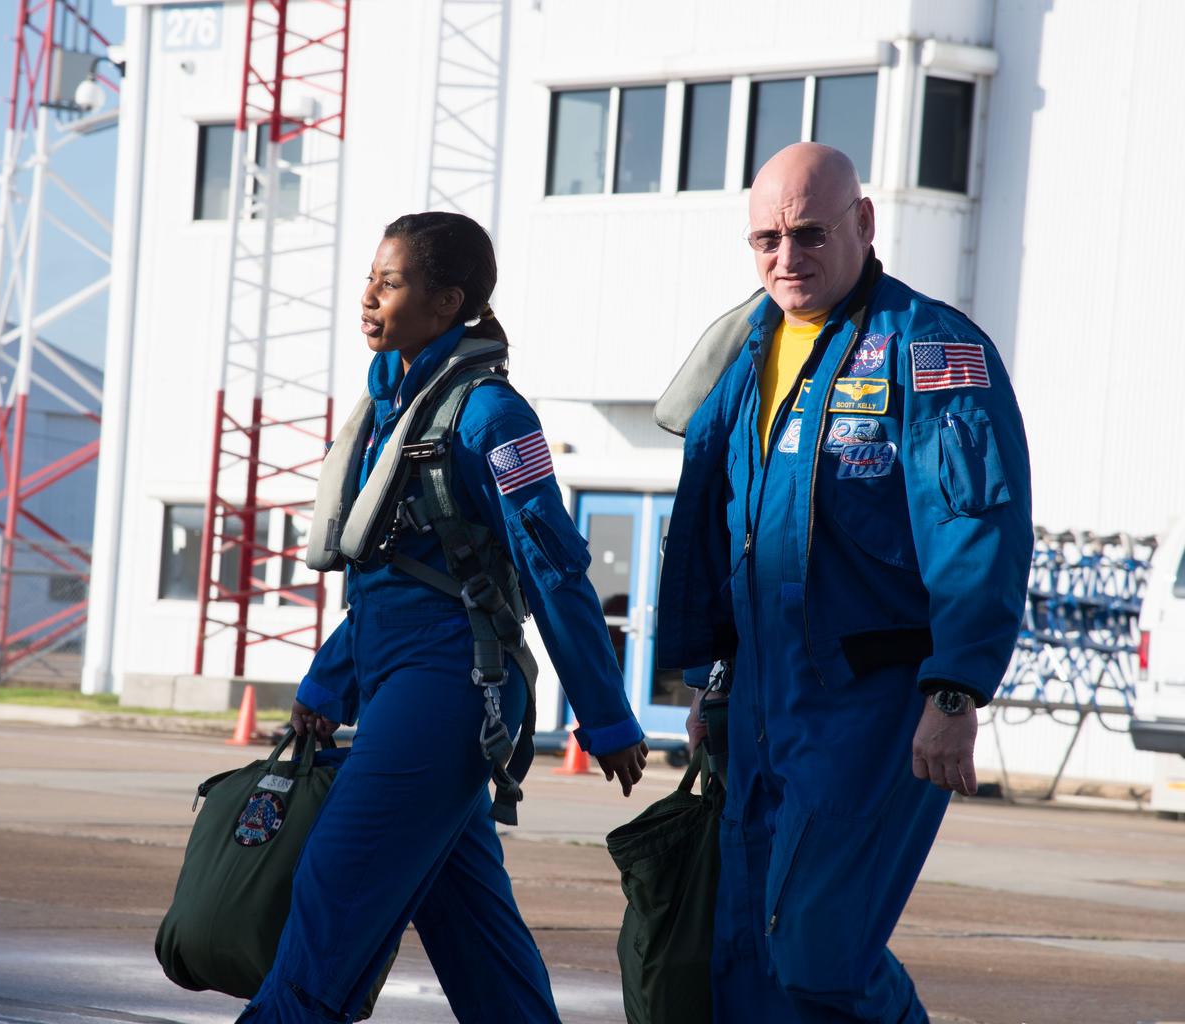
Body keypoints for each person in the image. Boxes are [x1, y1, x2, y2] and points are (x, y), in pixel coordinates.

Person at [239, 211, 648, 1023]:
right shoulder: (396, 403)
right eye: (371, 278)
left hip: (451, 686)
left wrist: (605, 717)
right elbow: (387, 578)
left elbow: (556, 571)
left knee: (336, 882)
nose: (367, 297)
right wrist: (327, 685)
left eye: (389, 283)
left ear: (447, 299)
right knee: (472, 929)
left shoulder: (491, 417)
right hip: (395, 676)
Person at [657, 143, 1033, 1023]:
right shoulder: (745, 352)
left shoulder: (930, 349)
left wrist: (955, 688)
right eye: (766, 241)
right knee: (745, 956)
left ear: (864, 224)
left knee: (821, 952)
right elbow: (726, 529)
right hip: (759, 698)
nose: (786, 258)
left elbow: (975, 525)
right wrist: (716, 679)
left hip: (870, 706)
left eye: (809, 233)